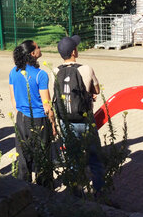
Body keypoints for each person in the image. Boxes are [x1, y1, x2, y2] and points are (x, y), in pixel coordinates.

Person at [54, 34, 106, 194]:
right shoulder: (86, 68)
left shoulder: (55, 71)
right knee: (95, 159)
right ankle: (100, 194)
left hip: (65, 121)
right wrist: (90, 93)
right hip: (85, 120)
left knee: (72, 158)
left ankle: (75, 192)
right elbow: (96, 89)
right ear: (74, 52)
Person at [9, 40, 55, 187]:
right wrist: (53, 124)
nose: (40, 48)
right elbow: (46, 105)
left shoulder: (13, 71)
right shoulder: (41, 75)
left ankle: (22, 187)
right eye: (38, 47)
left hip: (21, 118)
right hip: (39, 119)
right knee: (42, 156)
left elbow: (14, 100)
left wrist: (21, 115)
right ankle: (44, 189)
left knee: (23, 155)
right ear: (32, 53)